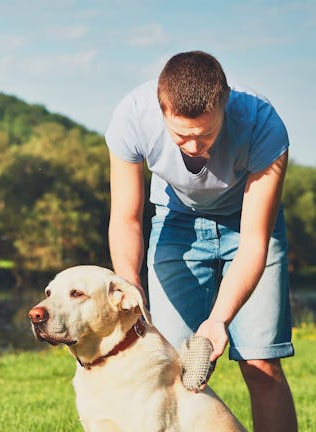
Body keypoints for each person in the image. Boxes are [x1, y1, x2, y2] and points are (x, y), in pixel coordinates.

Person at [105, 50, 297, 432]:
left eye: (206, 134)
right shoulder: (131, 117)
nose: (194, 147)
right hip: (176, 226)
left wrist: (218, 321)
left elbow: (255, 242)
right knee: (173, 367)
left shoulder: (264, 125)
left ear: (225, 105)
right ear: (161, 110)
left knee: (260, 363)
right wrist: (129, 285)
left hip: (246, 226)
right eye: (181, 136)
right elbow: (126, 219)